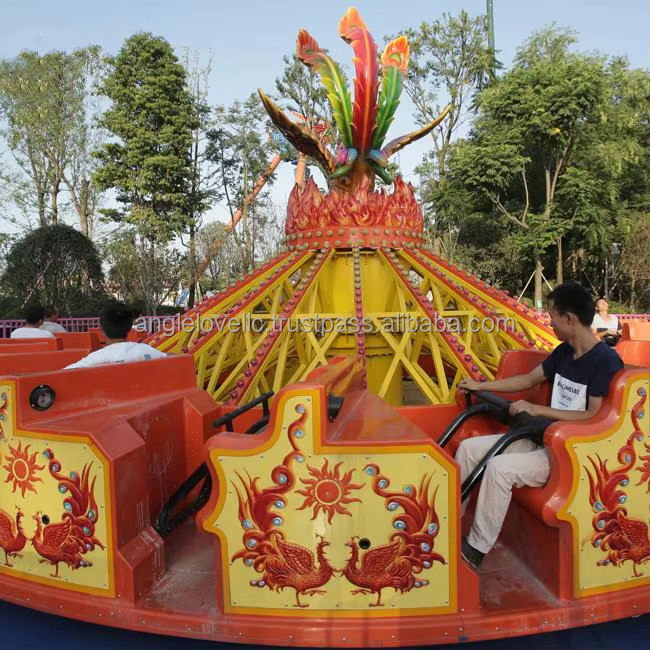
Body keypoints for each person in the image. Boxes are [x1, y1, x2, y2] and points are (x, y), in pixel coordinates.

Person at [456, 282, 623, 569]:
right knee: (469, 450)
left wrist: (537, 409)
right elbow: (528, 380)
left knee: (499, 469)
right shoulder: (564, 352)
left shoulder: (605, 361)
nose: (550, 322)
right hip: (541, 438)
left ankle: (475, 550)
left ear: (569, 319)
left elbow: (593, 416)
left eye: (552, 316)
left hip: (569, 453)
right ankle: (449, 525)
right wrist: (481, 386)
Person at [64, 301, 166, 369]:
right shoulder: (147, 350)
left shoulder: (95, 358)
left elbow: (62, 374)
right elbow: (169, 357)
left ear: (102, 330)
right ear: (130, 327)